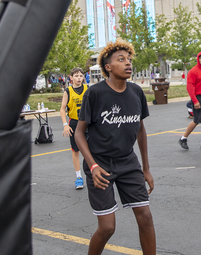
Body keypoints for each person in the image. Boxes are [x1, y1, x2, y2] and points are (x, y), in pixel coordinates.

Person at [74, 40, 155, 254]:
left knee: (145, 217)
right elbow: (79, 133)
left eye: (129, 60)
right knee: (108, 227)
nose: (128, 63)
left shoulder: (136, 93)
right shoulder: (95, 93)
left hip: (128, 162)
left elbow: (140, 130)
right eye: (121, 60)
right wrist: (92, 166)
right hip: (99, 165)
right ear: (108, 67)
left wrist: (145, 168)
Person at [59, 67, 88, 190]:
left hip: (87, 123)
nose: (79, 78)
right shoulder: (68, 91)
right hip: (74, 124)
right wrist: (65, 125)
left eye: (81, 76)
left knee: (92, 149)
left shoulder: (88, 89)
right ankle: (78, 177)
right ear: (71, 78)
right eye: (76, 76)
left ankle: (93, 173)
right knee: (75, 151)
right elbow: (62, 108)